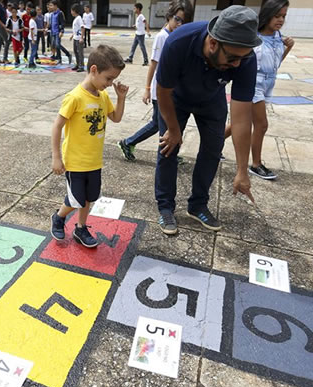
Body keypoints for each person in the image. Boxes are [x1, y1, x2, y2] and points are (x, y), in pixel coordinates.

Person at [155, 5, 259, 234]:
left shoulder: (245, 58)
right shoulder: (179, 42)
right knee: (168, 147)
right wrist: (173, 130)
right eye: (232, 58)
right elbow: (162, 91)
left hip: (212, 100)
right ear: (213, 43)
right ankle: (165, 207)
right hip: (176, 99)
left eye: (242, 59)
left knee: (213, 149)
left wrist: (242, 170)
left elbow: (242, 119)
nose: (237, 65)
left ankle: (198, 205)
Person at [50, 45, 128, 247]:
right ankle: (59, 217)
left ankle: (80, 228)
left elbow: (116, 118)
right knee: (76, 199)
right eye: (108, 78)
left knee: (88, 198)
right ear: (94, 70)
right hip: (75, 161)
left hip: (94, 161)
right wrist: (56, 156)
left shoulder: (102, 96)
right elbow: (57, 126)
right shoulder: (75, 97)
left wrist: (121, 98)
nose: (110, 84)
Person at [224, 0, 293, 181]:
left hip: (268, 82)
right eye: (277, 16)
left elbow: (275, 64)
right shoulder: (253, 37)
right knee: (261, 125)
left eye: (283, 16)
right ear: (268, 15)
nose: (280, 20)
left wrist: (288, 47)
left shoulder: (279, 37)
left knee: (240, 123)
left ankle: (211, 146)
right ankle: (256, 164)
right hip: (254, 82)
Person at [119, 0, 190, 163]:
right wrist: (147, 88)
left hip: (170, 90)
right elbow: (153, 64)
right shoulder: (162, 37)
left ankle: (129, 143)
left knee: (158, 124)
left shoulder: (174, 36)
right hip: (160, 90)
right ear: (169, 17)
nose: (179, 23)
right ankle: (166, 154)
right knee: (163, 124)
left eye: (183, 21)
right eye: (177, 19)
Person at [48, 0, 70, 64]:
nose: (50, 7)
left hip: (58, 32)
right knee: (54, 45)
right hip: (52, 32)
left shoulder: (60, 13)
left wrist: (62, 31)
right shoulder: (52, 14)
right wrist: (47, 28)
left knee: (58, 45)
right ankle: (59, 58)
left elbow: (62, 23)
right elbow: (51, 23)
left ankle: (68, 54)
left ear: (55, 6)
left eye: (51, 5)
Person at [70, 3, 84, 72]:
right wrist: (72, 35)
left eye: (72, 10)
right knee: (76, 52)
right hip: (75, 37)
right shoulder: (76, 18)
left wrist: (81, 37)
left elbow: (82, 27)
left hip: (79, 38)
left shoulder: (79, 18)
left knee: (80, 52)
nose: (71, 12)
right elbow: (76, 28)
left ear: (75, 11)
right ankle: (78, 64)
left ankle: (81, 66)